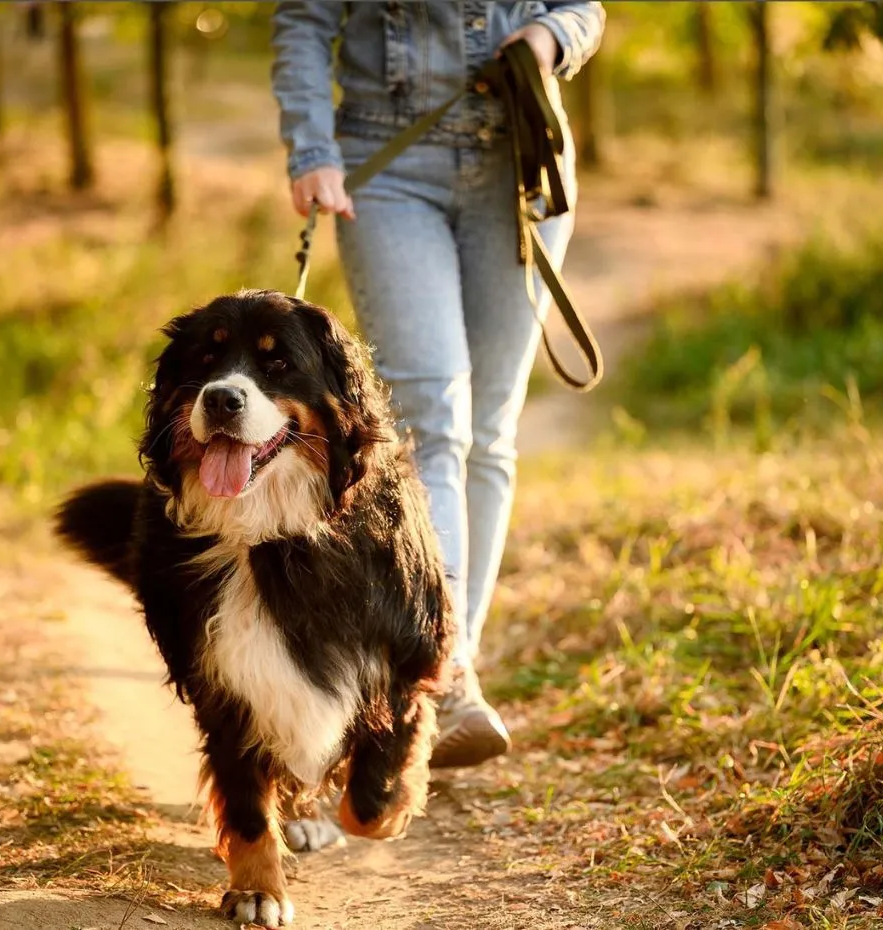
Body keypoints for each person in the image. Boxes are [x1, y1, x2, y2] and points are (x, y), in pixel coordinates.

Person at [271, 2, 605, 768]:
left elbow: (584, 7)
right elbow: (303, 16)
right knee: (430, 418)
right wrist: (310, 147)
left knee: (488, 432)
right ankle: (446, 677)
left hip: (520, 158)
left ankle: (450, 668)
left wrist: (553, 38)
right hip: (391, 163)